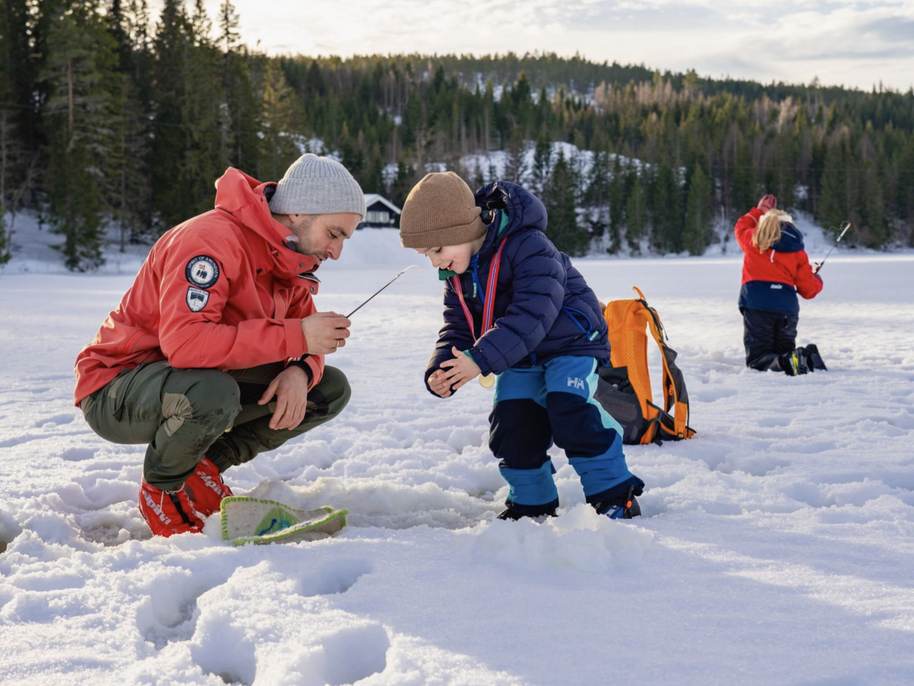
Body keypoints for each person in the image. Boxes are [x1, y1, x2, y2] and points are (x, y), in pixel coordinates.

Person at [73, 154, 364, 537]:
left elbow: (305, 335)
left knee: (327, 388)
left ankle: (202, 468)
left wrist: (300, 368)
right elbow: (186, 344)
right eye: (334, 233)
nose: (337, 251)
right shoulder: (209, 240)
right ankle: (163, 489)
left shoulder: (292, 261)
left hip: (189, 383)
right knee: (212, 392)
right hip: (116, 387)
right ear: (298, 212)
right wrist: (297, 337)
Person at [400, 173, 644, 520]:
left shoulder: (529, 245)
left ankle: (616, 494)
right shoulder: (457, 275)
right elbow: (457, 327)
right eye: (427, 255)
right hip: (518, 355)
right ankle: (532, 501)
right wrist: (444, 367)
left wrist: (480, 359)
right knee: (512, 424)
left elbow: (533, 314)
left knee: (568, 408)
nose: (435, 262)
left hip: (571, 343)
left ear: (463, 229)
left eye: (437, 250)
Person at [734, 194, 826, 376]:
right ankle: (807, 357)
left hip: (757, 306)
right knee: (785, 355)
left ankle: (794, 360)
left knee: (757, 360)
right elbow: (808, 290)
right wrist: (817, 279)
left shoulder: (753, 240)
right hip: (786, 310)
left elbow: (741, 226)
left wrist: (760, 210)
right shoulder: (797, 251)